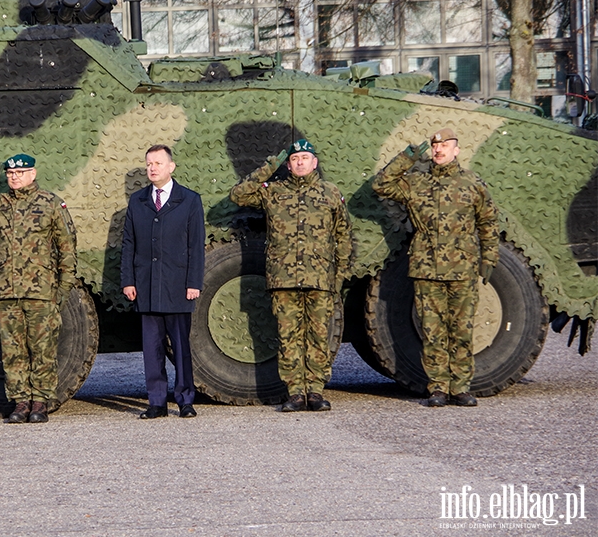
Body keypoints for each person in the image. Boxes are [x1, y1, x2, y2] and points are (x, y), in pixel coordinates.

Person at [372, 127, 499, 407]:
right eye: (435, 147)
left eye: (446, 146)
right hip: (426, 267)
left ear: (456, 150)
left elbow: (488, 224)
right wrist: (406, 158)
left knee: (462, 330)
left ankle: (461, 387)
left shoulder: (472, 183)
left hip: (462, 267)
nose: (439, 150)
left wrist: (489, 259)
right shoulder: (417, 182)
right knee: (432, 330)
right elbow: (381, 184)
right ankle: (439, 387)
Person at [0, 153, 77, 423]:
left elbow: (67, 249)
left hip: (41, 292)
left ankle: (40, 403)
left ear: (33, 174)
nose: (14, 177)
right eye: (10, 174)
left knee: (42, 349)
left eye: (20, 173)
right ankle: (20, 403)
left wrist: (63, 290)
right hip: (6, 293)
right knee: (12, 351)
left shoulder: (51, 204)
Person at [230, 139, 352, 412]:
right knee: (288, 337)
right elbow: (238, 195)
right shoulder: (273, 191)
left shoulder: (330, 193)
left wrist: (340, 274)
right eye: (295, 159)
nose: (300, 163)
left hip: (320, 278)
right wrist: (269, 166)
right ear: (289, 164)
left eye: (305, 158)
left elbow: (343, 235)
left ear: (314, 163)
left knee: (319, 336)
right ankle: (295, 392)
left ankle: (316, 391)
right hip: (283, 279)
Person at [121, 144, 205, 419]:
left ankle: (185, 399)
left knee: (181, 348)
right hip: (146, 285)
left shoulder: (190, 200)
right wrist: (128, 281)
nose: (152, 168)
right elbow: (129, 244)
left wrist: (194, 282)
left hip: (178, 285)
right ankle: (156, 402)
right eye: (148, 164)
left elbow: (196, 245)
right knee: (152, 350)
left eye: (157, 163)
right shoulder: (138, 201)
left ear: (171, 167)